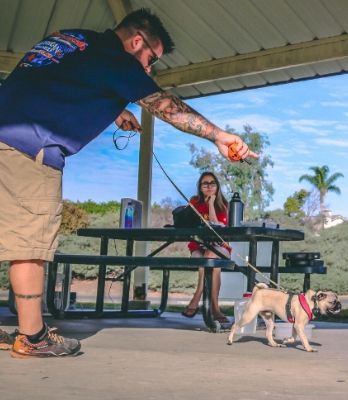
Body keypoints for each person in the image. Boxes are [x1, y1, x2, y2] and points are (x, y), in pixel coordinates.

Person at [0, 8, 257, 358]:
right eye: (150, 58)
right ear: (137, 41)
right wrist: (217, 135)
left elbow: (57, 82)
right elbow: (165, 106)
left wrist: (114, 109)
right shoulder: (118, 60)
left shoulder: (73, 39)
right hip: (27, 146)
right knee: (29, 243)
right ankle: (33, 337)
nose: (148, 68)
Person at [182, 172, 231, 323]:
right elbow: (187, 222)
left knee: (210, 259)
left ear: (217, 186)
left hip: (219, 247)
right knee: (204, 260)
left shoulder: (224, 204)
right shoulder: (194, 202)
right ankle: (215, 309)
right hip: (198, 246)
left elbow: (217, 228)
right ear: (200, 187)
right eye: (205, 183)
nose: (209, 186)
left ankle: (199, 300)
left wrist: (211, 204)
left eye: (212, 183)